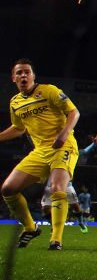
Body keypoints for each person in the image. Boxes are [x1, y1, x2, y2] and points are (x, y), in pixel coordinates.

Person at [0, 59, 81, 250]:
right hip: (40, 151)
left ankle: (56, 240)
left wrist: (63, 134)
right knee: (8, 189)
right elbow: (19, 128)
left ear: (33, 76)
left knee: (57, 188)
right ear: (13, 78)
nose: (23, 76)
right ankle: (30, 228)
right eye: (19, 73)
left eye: (27, 72)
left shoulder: (49, 90)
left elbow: (74, 112)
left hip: (63, 146)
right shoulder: (15, 102)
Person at [40, 133, 97, 233]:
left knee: (76, 206)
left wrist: (94, 144)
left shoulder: (71, 151)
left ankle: (80, 223)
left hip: (66, 183)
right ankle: (53, 225)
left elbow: (84, 151)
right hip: (51, 183)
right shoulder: (51, 149)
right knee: (45, 208)